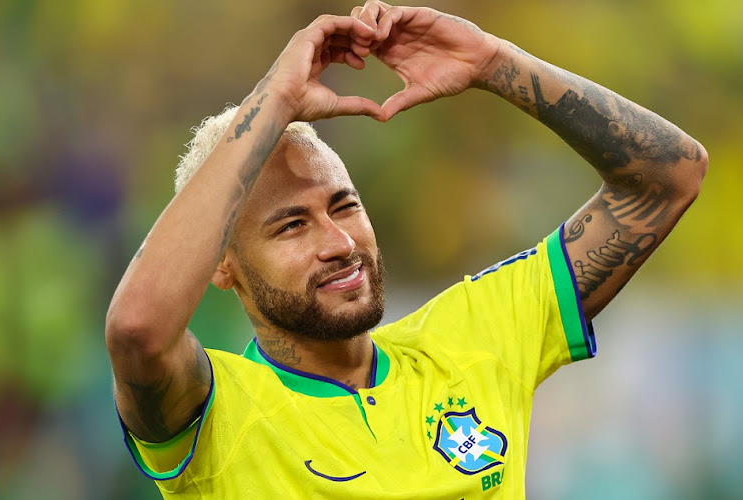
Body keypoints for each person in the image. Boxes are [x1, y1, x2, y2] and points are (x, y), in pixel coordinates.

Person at [105, 1, 707, 498]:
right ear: (221, 265)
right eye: (290, 226)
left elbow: (668, 176)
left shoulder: (471, 339)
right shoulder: (212, 413)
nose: (339, 243)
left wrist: (493, 62)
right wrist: (274, 102)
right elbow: (137, 330)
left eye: (344, 206)